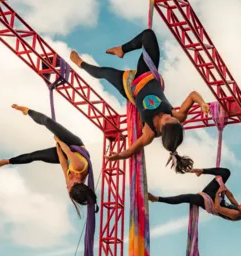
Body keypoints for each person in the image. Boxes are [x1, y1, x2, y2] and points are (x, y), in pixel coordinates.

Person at [70, 29, 210, 174]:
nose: (169, 116)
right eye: (173, 119)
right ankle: (121, 49)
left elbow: (131, 150)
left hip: (130, 87)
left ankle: (80, 63)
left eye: (168, 120)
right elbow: (193, 95)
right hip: (148, 74)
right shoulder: (177, 116)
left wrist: (118, 156)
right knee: (148, 35)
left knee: (104, 73)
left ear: (161, 128)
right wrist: (202, 103)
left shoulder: (149, 132)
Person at [0, 104, 98, 217]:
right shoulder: (79, 167)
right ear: (76, 184)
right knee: (47, 121)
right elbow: (68, 152)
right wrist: (59, 140)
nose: (66, 186)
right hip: (74, 145)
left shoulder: (70, 181)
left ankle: (7, 161)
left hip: (65, 153)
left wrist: (58, 148)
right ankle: (27, 111)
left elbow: (63, 163)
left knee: (35, 156)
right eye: (69, 187)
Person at [148, 167, 241, 222]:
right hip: (215, 196)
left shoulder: (236, 214)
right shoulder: (239, 208)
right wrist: (223, 187)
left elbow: (218, 208)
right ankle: (201, 171)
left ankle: (156, 199)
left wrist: (219, 192)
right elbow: (231, 197)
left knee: (187, 197)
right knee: (225, 173)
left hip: (209, 203)